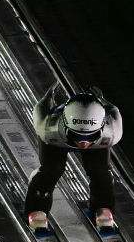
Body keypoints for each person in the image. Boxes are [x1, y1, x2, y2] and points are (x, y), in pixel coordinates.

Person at [24, 84, 123, 231]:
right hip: (58, 141)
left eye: (90, 136)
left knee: (101, 172)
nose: (83, 143)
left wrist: (48, 95)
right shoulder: (48, 129)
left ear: (101, 128)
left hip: (68, 139)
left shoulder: (111, 132)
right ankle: (37, 206)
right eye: (77, 136)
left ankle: (102, 206)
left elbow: (41, 106)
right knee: (51, 170)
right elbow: (41, 107)